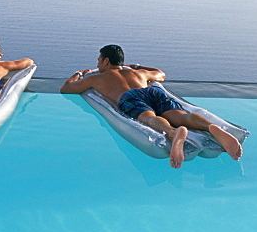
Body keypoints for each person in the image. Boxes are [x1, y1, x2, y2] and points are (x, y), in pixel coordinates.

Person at [60, 44, 243, 169]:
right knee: (180, 115)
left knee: (149, 118)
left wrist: (79, 73)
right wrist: (137, 65)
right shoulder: (136, 72)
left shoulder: (97, 77)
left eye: (99, 61)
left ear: (106, 61)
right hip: (151, 91)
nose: (97, 65)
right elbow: (160, 74)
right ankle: (211, 127)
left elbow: (66, 89)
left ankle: (172, 133)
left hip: (129, 97)